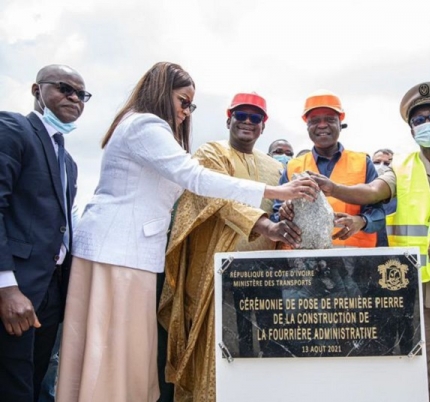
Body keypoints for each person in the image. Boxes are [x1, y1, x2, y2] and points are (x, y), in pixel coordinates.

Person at [55, 63, 317, 402]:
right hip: (118, 250)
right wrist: (275, 195)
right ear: (162, 93)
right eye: (183, 101)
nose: (185, 111)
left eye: (190, 105)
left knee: (122, 348)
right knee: (113, 347)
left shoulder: (144, 127)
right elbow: (196, 180)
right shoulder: (146, 125)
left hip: (129, 251)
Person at [308, 82, 430, 401]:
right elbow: (370, 192)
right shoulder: (399, 170)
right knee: (425, 374)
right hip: (412, 287)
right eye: (419, 120)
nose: (427, 124)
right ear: (411, 130)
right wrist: (333, 188)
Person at [157, 91, 298, 401]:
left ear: (263, 125)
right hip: (217, 276)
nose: (247, 122)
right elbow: (219, 199)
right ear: (229, 119)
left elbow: (283, 209)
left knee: (260, 358)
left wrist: (285, 216)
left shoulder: (275, 168)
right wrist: (266, 226)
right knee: (215, 357)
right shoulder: (209, 154)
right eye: (241, 116)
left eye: (255, 118)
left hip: (265, 278)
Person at [0, 64, 88, 402]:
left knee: (37, 383)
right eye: (65, 88)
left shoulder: (69, 162)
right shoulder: (14, 129)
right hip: (16, 289)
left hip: (51, 290)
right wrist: (7, 288)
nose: (74, 98)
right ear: (37, 91)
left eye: (82, 95)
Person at [274, 89, 385, 247]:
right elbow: (277, 212)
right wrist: (283, 214)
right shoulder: (293, 167)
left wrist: (361, 221)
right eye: (314, 120)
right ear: (307, 126)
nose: (322, 125)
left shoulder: (362, 163)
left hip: (354, 263)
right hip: (303, 264)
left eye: (329, 119)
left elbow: (379, 213)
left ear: (340, 124)